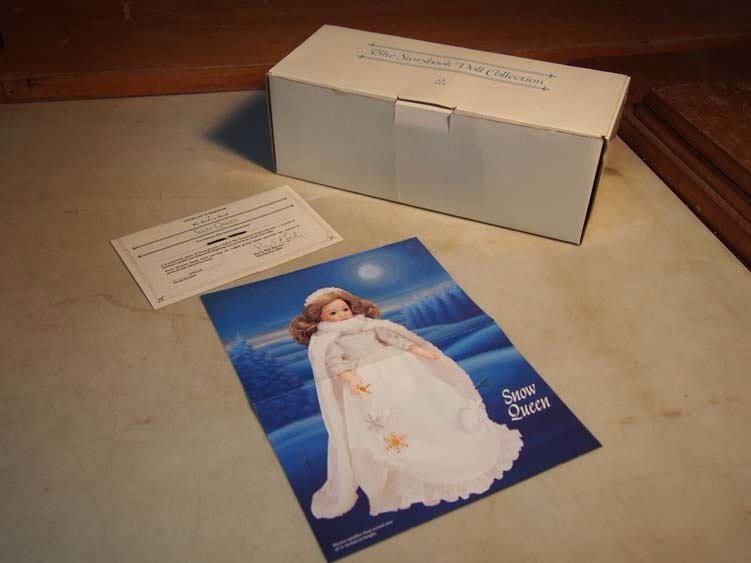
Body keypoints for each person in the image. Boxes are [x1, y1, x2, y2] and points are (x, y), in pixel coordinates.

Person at [289, 287, 523, 518]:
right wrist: (350, 379)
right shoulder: (329, 340)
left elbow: (393, 338)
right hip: (367, 379)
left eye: (344, 309)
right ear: (321, 318)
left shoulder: (367, 325)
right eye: (333, 313)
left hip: (400, 367)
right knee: (394, 417)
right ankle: (413, 458)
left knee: (426, 402)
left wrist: (418, 350)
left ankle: (444, 436)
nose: (342, 315)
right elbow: (335, 364)